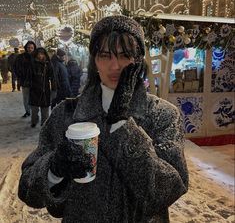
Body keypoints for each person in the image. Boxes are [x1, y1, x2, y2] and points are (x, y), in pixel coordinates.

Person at [18, 16, 188, 223]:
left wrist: (122, 125)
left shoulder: (162, 114)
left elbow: (168, 189)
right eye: (105, 55)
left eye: (125, 55)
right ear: (94, 60)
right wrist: (54, 169)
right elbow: (27, 189)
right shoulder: (66, 113)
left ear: (138, 60)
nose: (115, 65)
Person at [29, 48, 56, 128]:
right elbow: (29, 76)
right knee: (34, 108)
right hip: (34, 89)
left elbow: (53, 77)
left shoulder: (48, 64)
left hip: (45, 89)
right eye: (39, 54)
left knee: (45, 109)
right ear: (36, 55)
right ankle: (34, 121)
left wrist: (54, 88)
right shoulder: (32, 64)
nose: (41, 55)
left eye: (42, 54)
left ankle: (45, 124)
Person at [14, 41, 36, 118]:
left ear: (34, 48)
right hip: (25, 81)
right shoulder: (21, 57)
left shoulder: (37, 56)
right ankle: (27, 111)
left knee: (34, 98)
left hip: (35, 82)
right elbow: (16, 68)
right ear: (26, 48)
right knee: (26, 98)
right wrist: (20, 77)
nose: (30, 49)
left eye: (32, 48)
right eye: (29, 47)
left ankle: (34, 112)